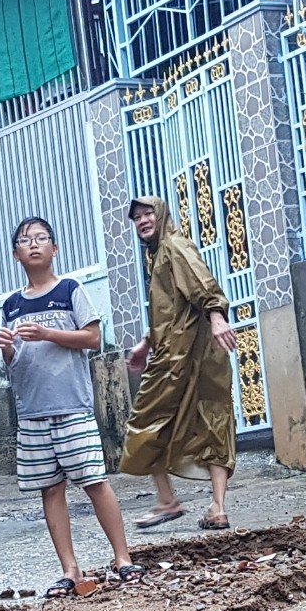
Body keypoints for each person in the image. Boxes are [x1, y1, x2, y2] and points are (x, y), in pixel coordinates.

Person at [0, 216, 142, 598]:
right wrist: (7, 347)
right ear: (16, 254)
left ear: (54, 249)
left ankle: (123, 558)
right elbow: (14, 363)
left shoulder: (70, 290)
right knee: (50, 489)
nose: (34, 244)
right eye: (25, 240)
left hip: (73, 405)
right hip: (32, 411)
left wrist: (47, 333)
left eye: (42, 238)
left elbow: (93, 338)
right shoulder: (11, 305)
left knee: (95, 480)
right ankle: (69, 569)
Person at [121, 197, 239, 531]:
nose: (143, 220)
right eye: (137, 217)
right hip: (185, 352)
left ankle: (175, 502)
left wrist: (217, 317)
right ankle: (211, 506)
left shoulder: (174, 246)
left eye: (148, 214)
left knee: (147, 420)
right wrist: (146, 342)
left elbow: (204, 285)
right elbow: (171, 308)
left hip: (184, 356)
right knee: (212, 420)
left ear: (161, 215)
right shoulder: (159, 254)